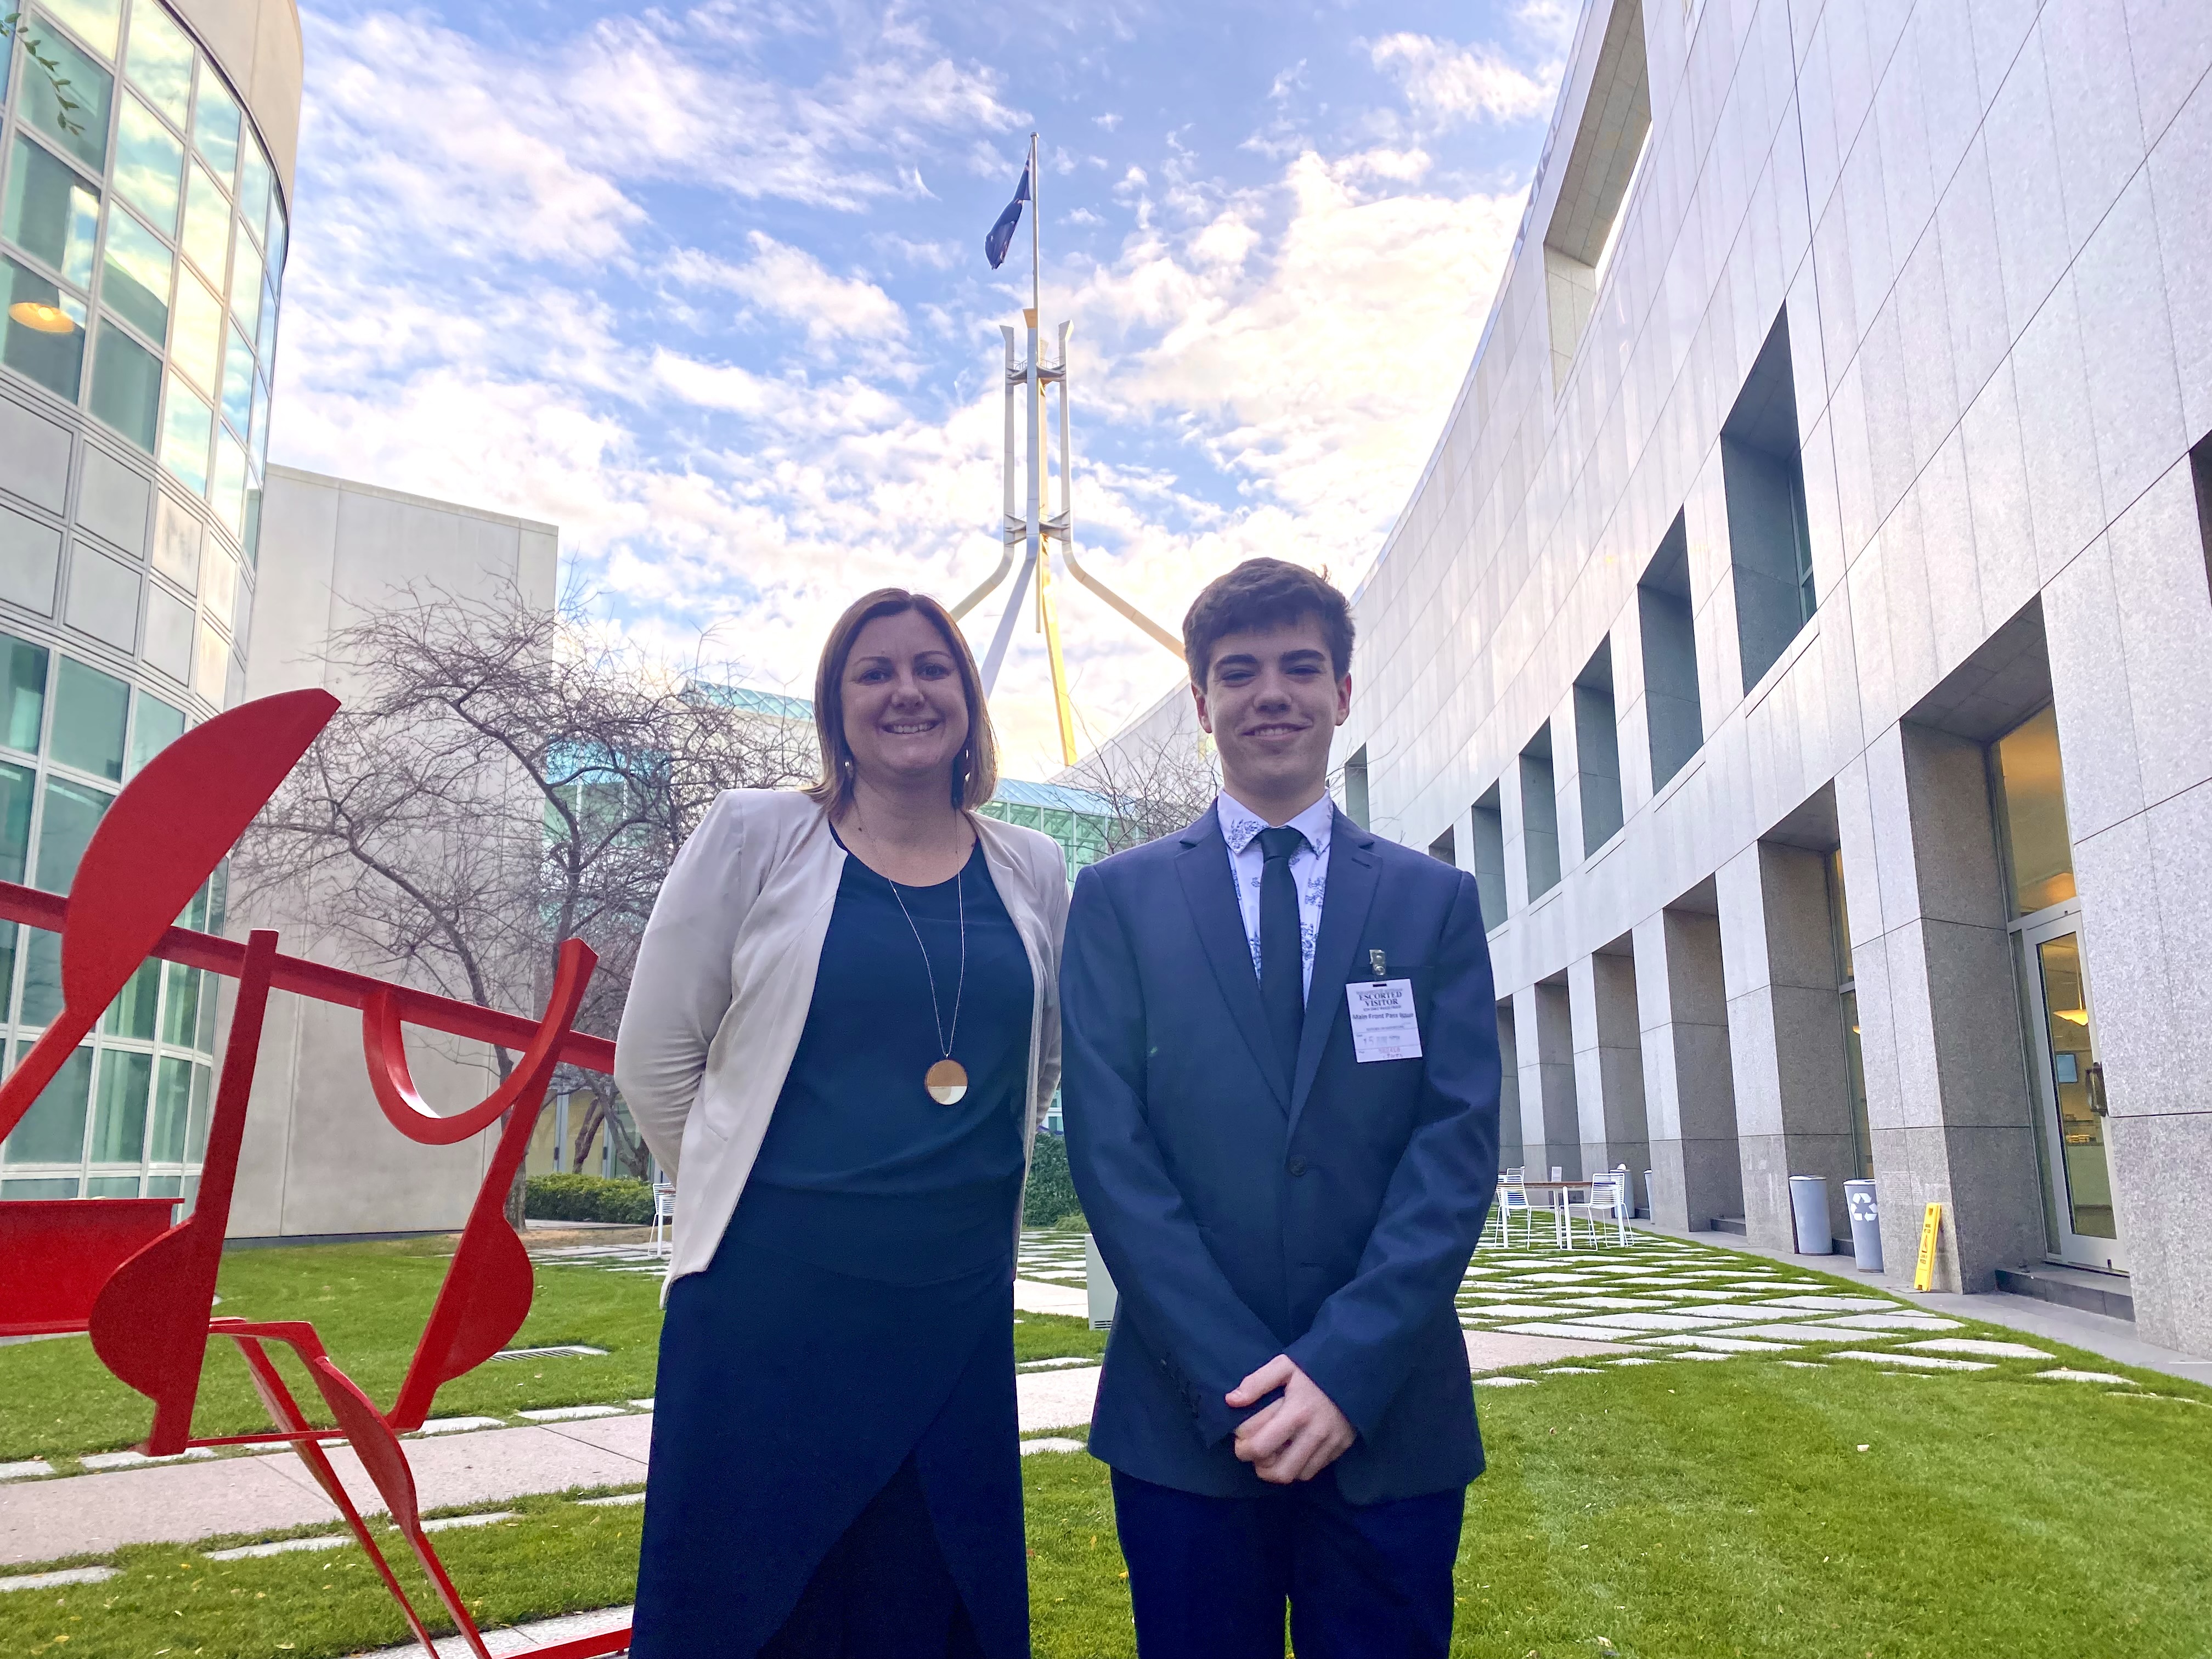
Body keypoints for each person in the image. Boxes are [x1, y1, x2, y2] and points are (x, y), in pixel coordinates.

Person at [616, 589, 1069, 1659]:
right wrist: (765, 1213)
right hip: (766, 1321)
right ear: (837, 707)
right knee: (750, 1613)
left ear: (968, 697)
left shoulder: (1035, 870)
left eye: (932, 667)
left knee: (930, 1609)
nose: (906, 691)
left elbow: (1034, 1068)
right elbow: (656, 1060)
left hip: (952, 1313)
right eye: (875, 672)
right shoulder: (755, 835)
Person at [1060, 558, 1501, 1659]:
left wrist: (1345, 1370)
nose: (1272, 694)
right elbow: (1114, 1154)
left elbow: (1452, 1148)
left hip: (1390, 1417)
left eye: (1301, 668)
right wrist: (1240, 1386)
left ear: (1343, 694)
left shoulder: (1432, 900)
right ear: (1202, 702)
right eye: (1239, 672)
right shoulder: (1116, 901)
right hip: (1185, 1425)